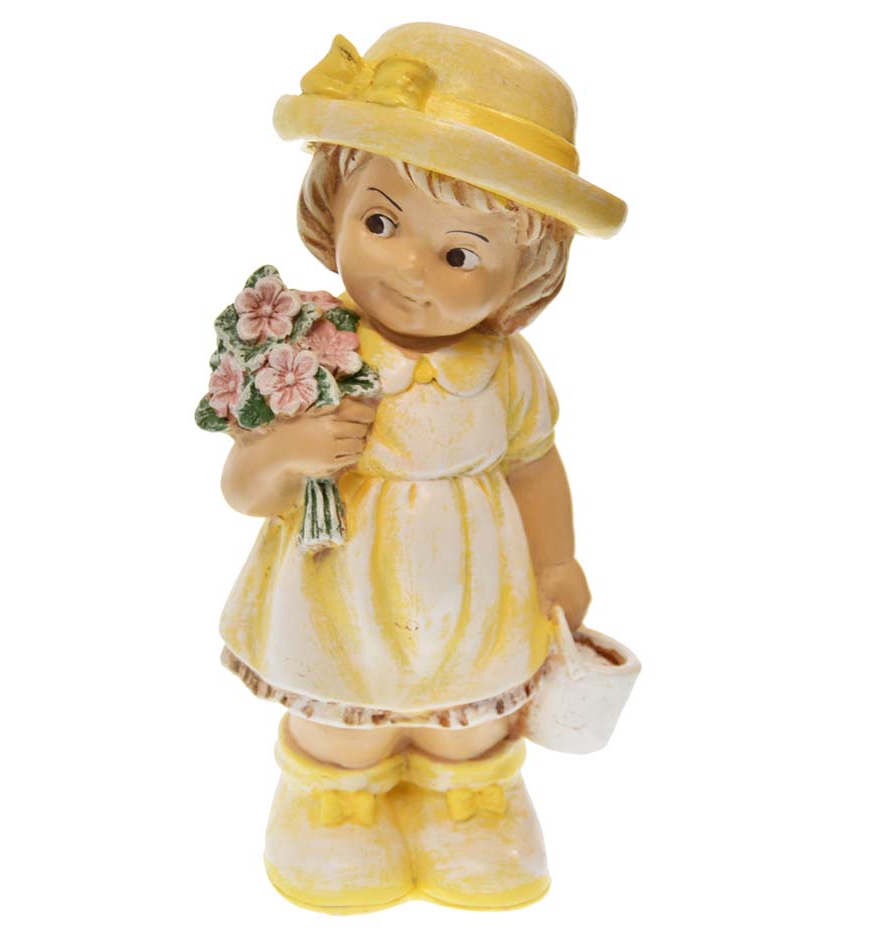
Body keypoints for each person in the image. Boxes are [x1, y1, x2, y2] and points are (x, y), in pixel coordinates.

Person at [215, 23, 626, 912]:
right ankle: (333, 812)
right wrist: (284, 452)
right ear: (333, 203)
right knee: (342, 721)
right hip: (336, 591)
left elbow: (533, 465)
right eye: (380, 221)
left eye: (460, 254)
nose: (410, 269)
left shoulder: (505, 370)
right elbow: (242, 490)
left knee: (470, 721)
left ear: (524, 272)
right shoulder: (307, 345)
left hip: (475, 594)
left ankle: (468, 807)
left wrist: (556, 562)